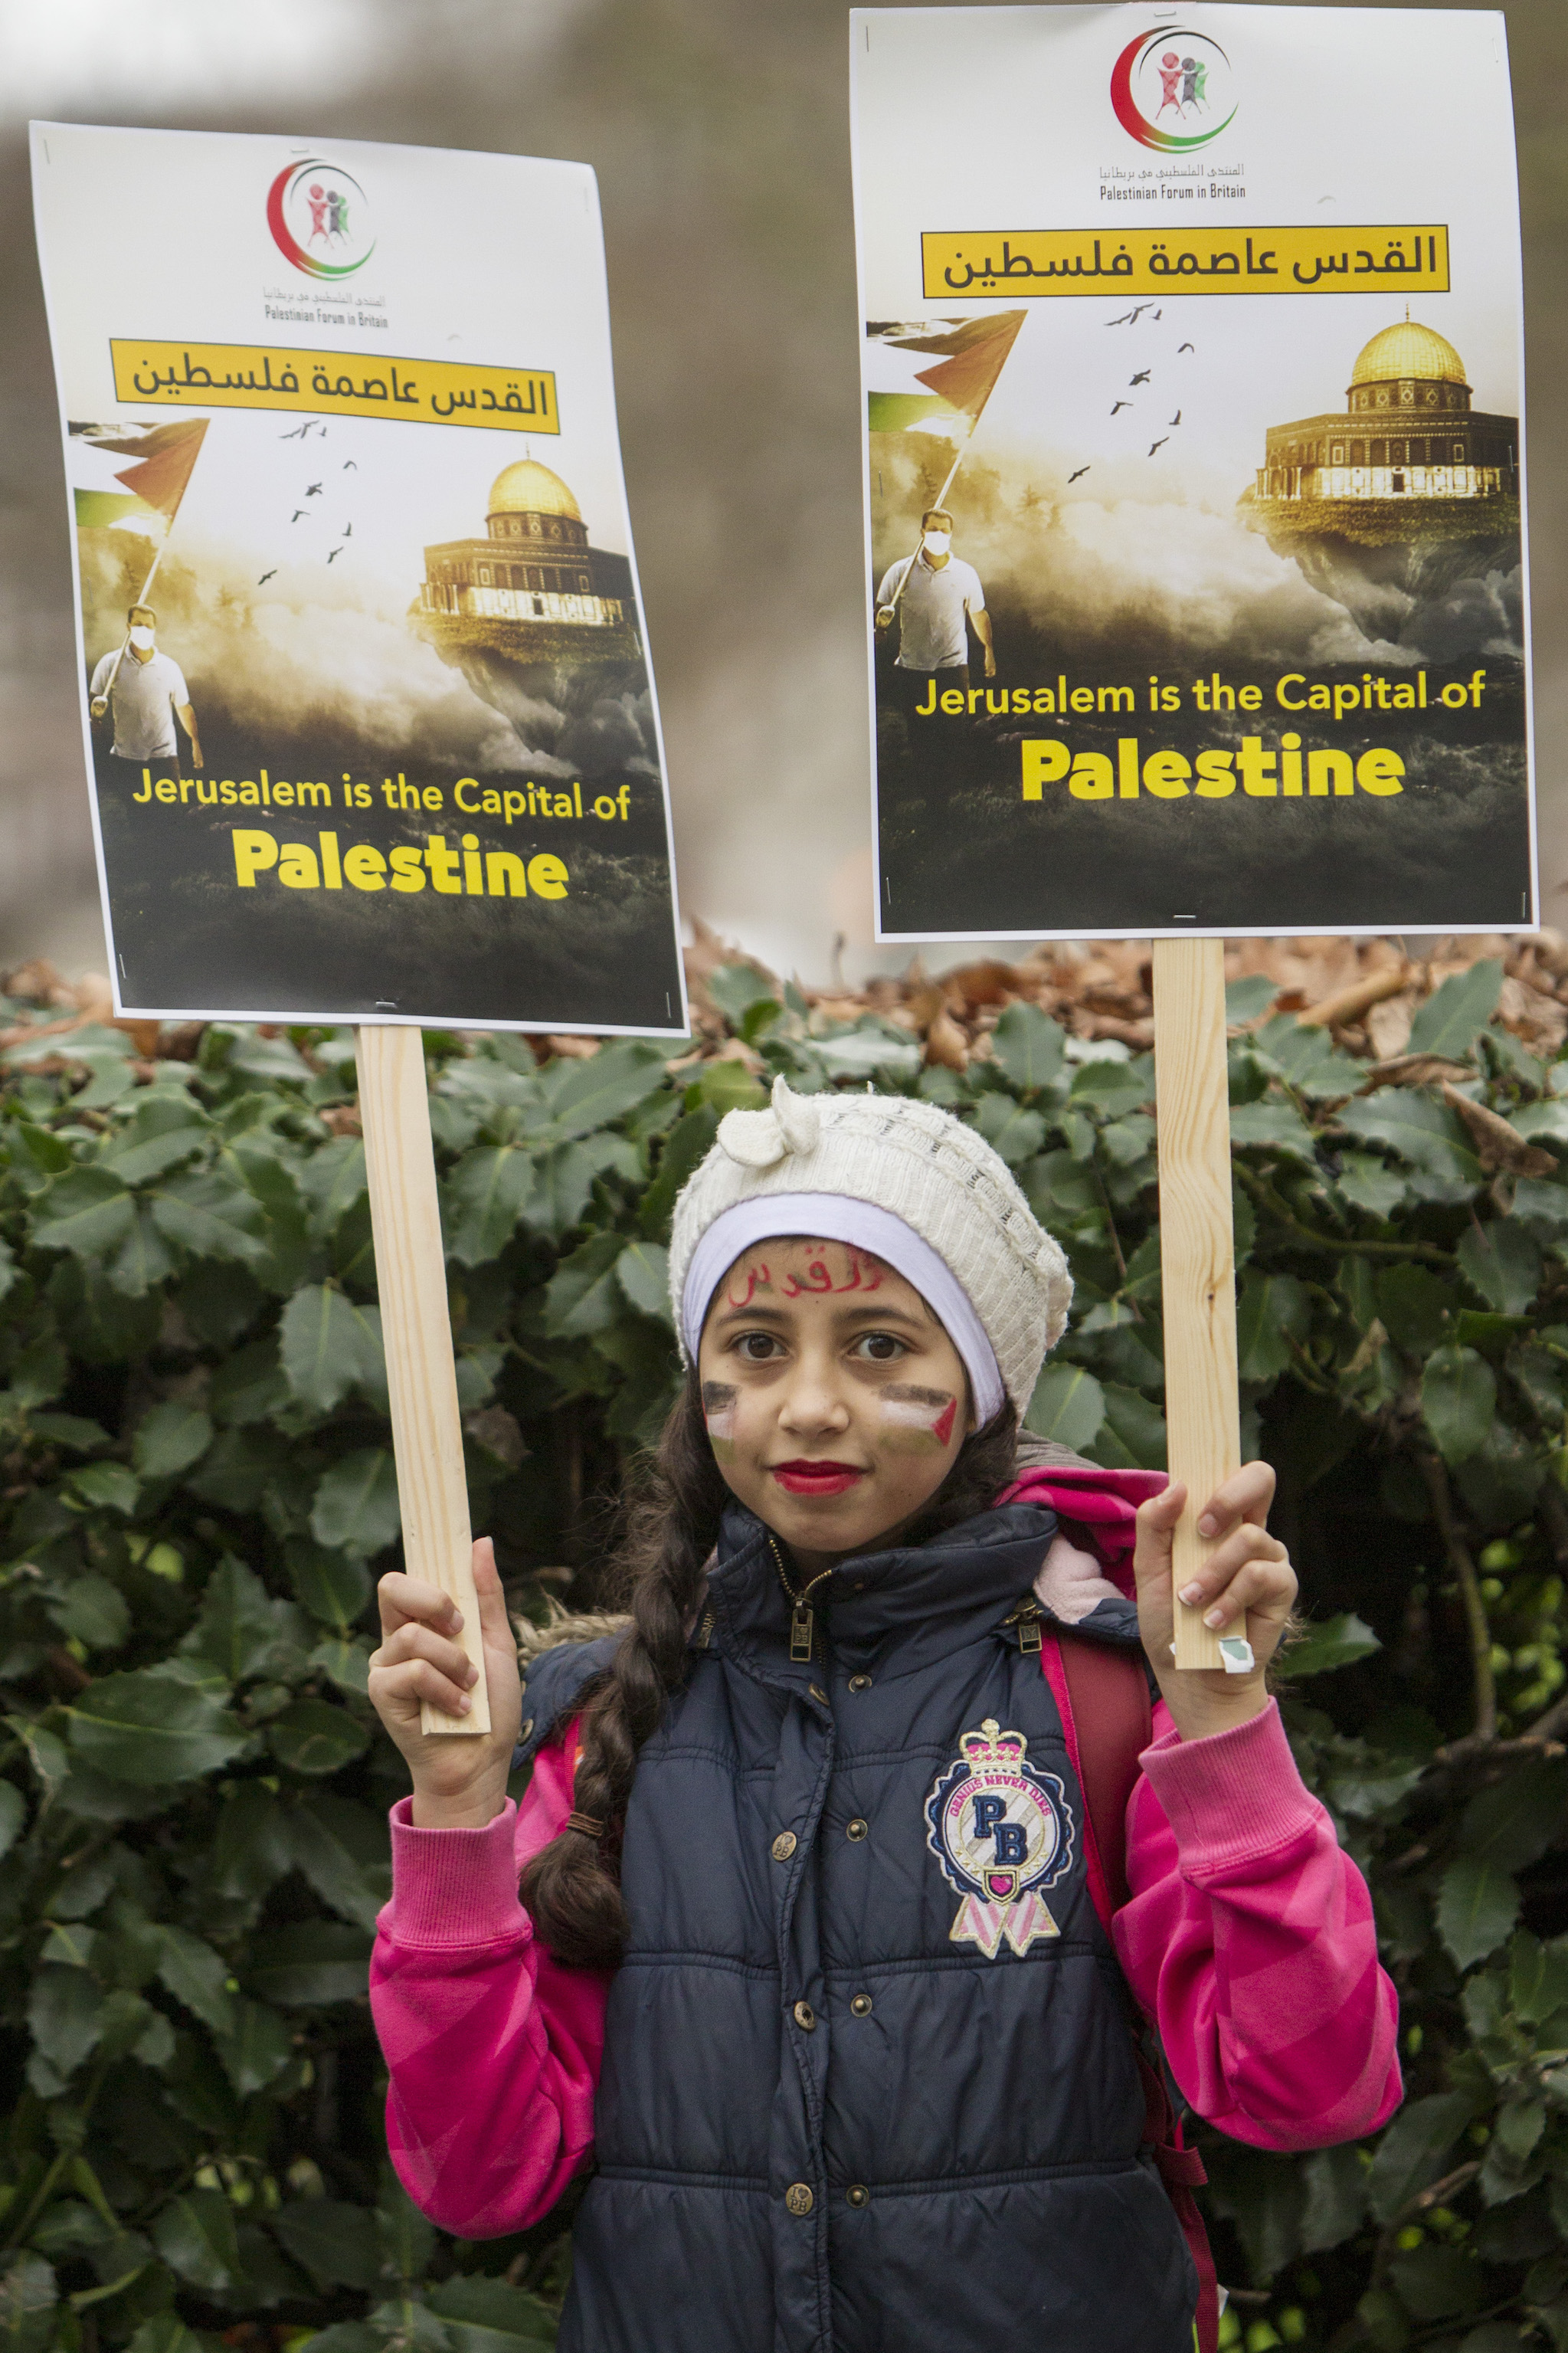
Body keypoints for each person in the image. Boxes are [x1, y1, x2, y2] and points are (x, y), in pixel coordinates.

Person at [368, 1080, 1400, 2353]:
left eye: (878, 1345)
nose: (809, 1405)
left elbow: (1311, 2090)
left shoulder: (1112, 1697)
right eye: (755, 1348)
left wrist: (1230, 1740)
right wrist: (460, 1820)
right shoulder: (592, 1733)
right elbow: (477, 2184)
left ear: (978, 1383)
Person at [874, 506, 994, 724]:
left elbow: (978, 614)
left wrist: (989, 649)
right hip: (912, 668)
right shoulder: (900, 571)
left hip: (953, 668)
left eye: (943, 530)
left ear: (951, 534)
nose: (938, 534)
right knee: (918, 732)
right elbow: (881, 609)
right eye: (932, 529)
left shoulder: (965, 572)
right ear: (922, 532)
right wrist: (878, 629)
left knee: (954, 730)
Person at [88, 605, 201, 773]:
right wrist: (93, 719)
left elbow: (184, 708)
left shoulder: (169, 666)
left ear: (155, 629)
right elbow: (93, 700)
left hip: (164, 759)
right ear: (128, 626)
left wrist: (196, 743)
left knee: (169, 800)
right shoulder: (110, 662)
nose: (143, 629)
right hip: (124, 758)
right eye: (138, 624)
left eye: (148, 626)